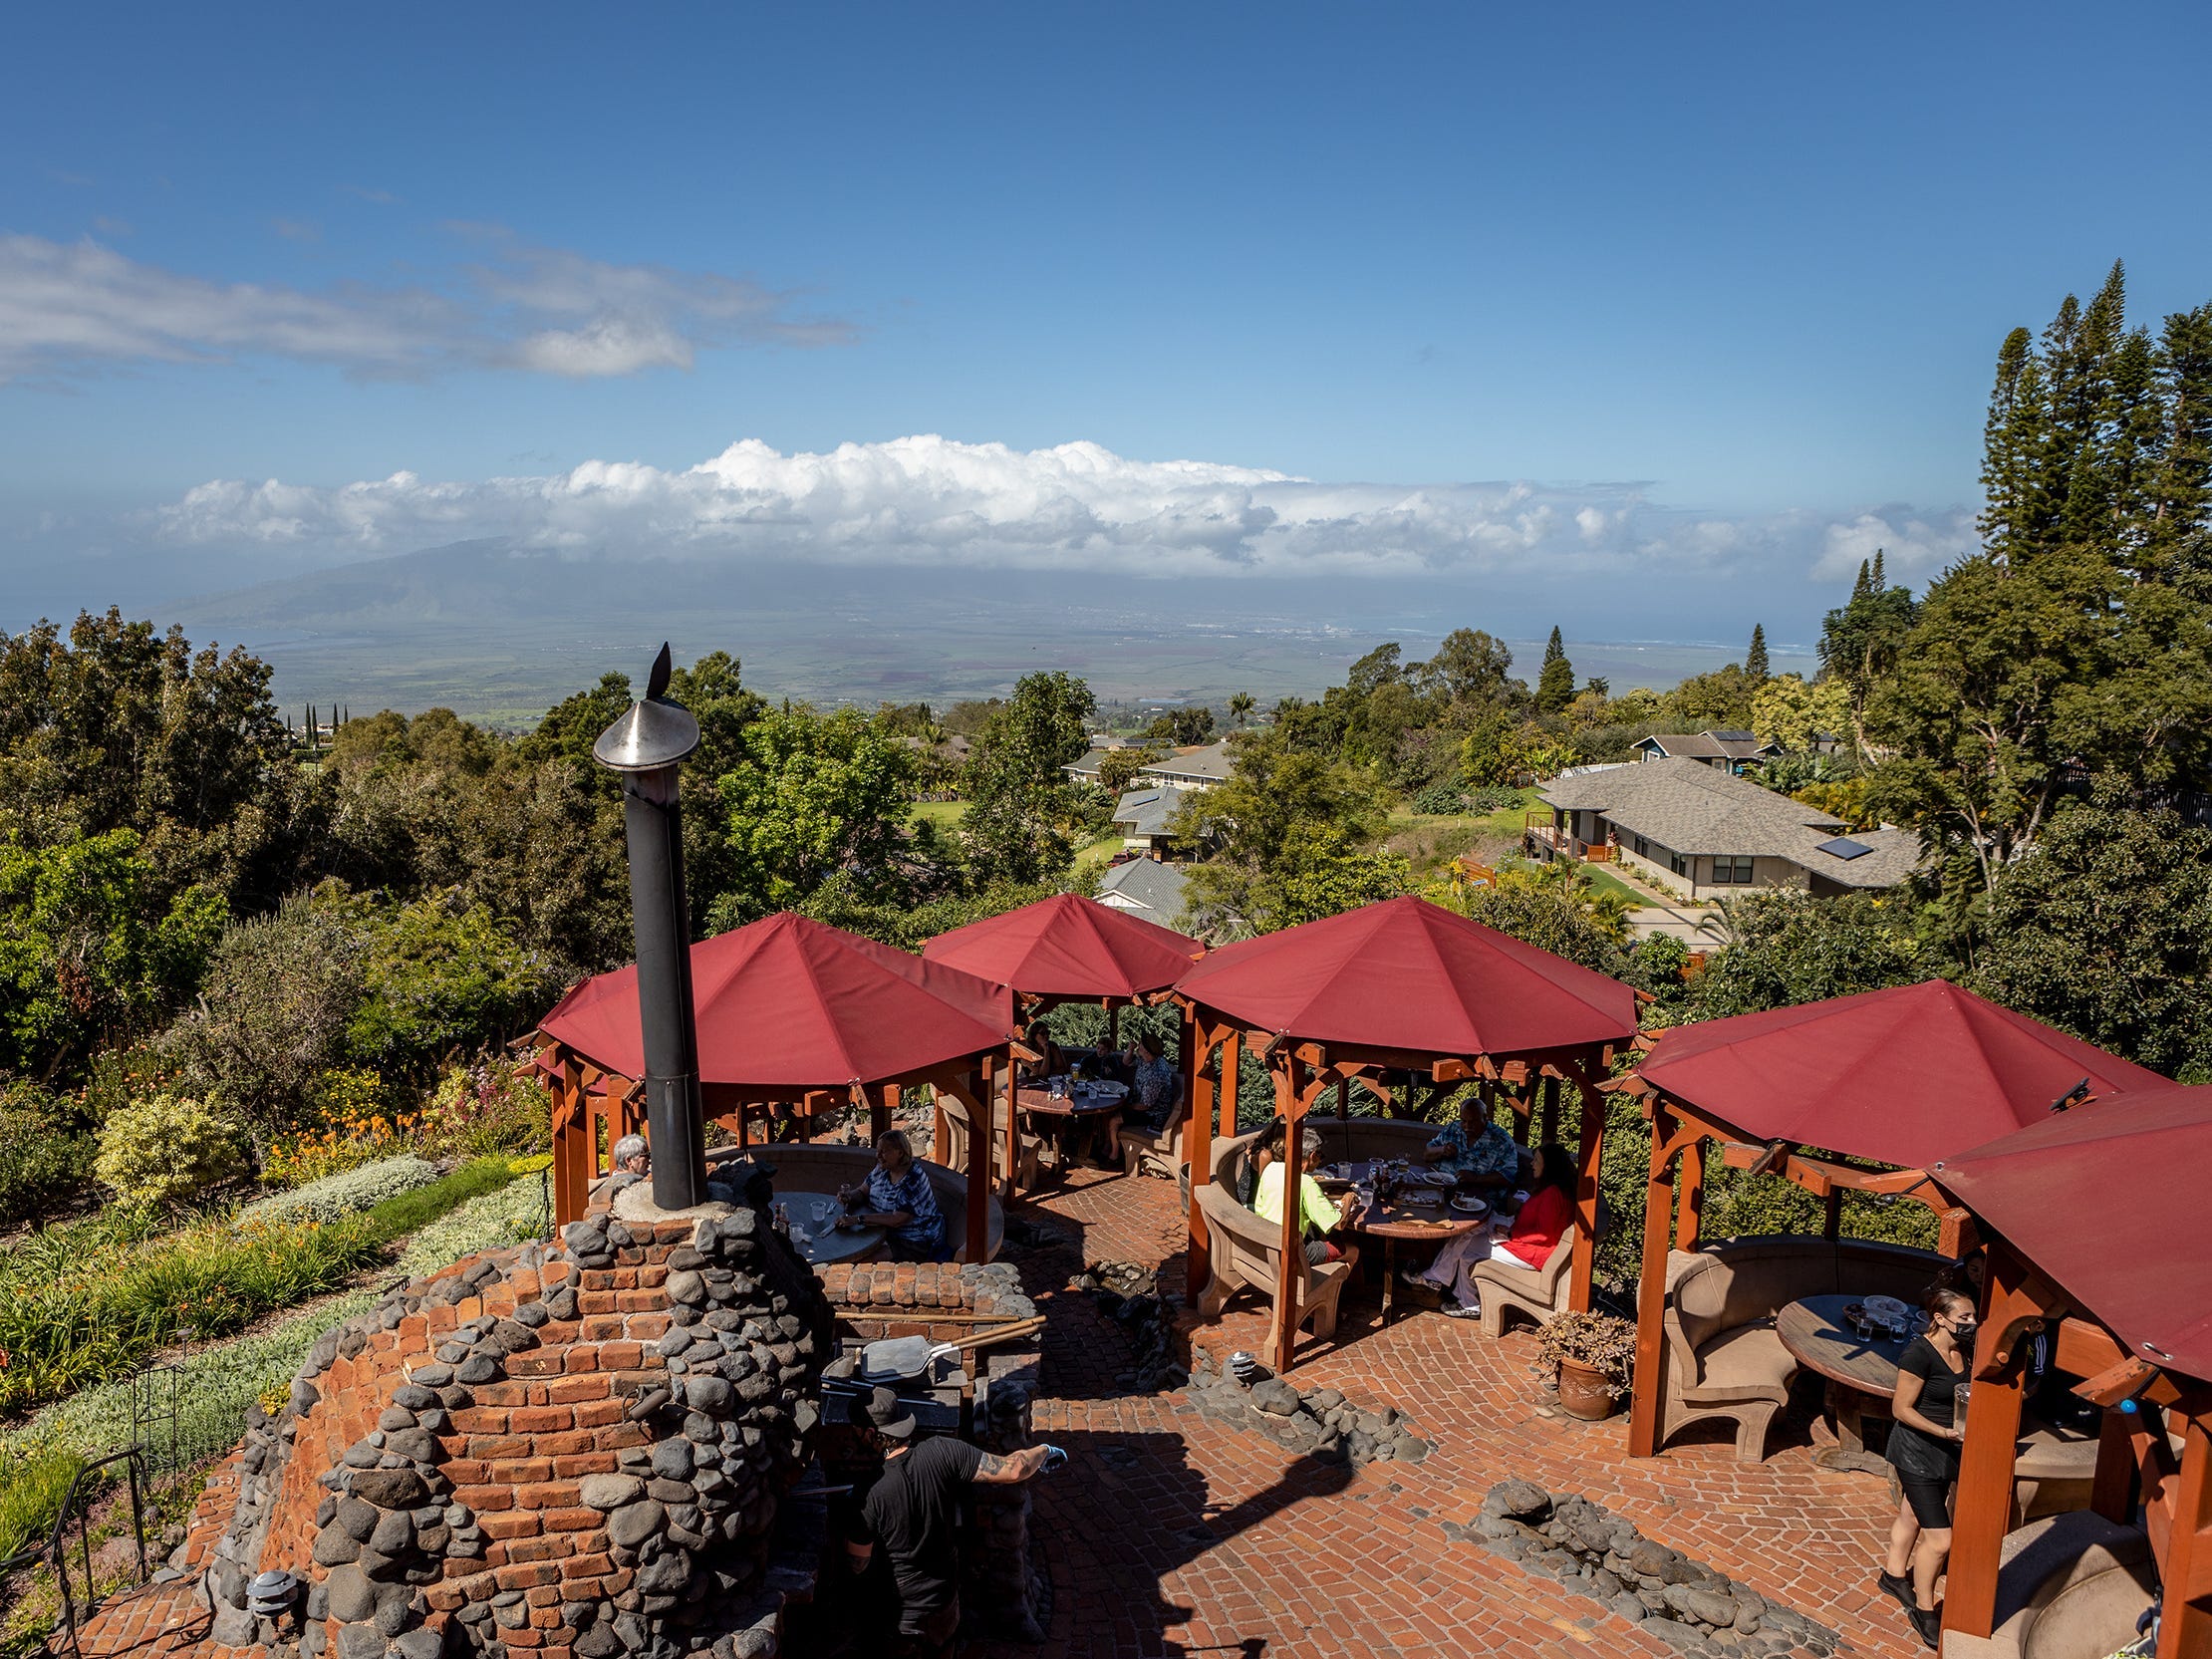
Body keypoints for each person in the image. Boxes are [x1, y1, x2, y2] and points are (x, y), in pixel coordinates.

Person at [844, 1387, 1049, 1657]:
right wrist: (1045, 1449)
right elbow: (1015, 1469)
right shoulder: (944, 1450)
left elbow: (858, 1564)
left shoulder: (867, 1493)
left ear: (871, 1434)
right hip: (945, 1602)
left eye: (856, 1430)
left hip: (903, 1619)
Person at [1879, 1285, 1977, 1650]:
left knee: (1912, 1515)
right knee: (1941, 1540)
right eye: (1963, 1318)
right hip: (1918, 1451)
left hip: (1947, 1451)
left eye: (1973, 1317)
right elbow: (1900, 1409)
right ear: (1939, 1318)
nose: (1971, 1323)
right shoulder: (1918, 1354)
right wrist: (1945, 1432)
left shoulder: (1963, 1350)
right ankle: (1924, 1609)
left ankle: (1893, 1575)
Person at [1409, 1141, 1575, 1319]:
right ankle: (1439, 1279)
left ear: (1548, 1166)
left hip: (1532, 1252)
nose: (1532, 1164)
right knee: (1470, 1231)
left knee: (1469, 1249)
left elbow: (1545, 1234)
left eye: (1536, 1160)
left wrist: (1511, 1234)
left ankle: (1467, 1302)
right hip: (1523, 1238)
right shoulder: (1551, 1189)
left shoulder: (1552, 1194)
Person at [1251, 1126, 1361, 1268]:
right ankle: (1334, 1288)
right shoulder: (1306, 1183)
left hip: (1266, 1243)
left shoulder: (1270, 1169)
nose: (1320, 1161)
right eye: (1320, 1156)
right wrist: (1348, 1198)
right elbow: (1338, 1224)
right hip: (1292, 1253)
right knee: (1353, 1251)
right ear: (1313, 1155)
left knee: (1320, 1234)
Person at [838, 1130, 948, 1262]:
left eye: (883, 1151)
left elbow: (897, 1220)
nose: (878, 1155)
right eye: (877, 1150)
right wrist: (849, 1196)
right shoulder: (882, 1168)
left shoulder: (913, 1179)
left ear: (900, 1152)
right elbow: (862, 1191)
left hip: (912, 1241)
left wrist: (857, 1219)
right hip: (880, 1232)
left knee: (860, 1261)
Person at [1421, 1094, 1521, 1192]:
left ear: (1485, 1118)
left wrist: (1475, 1178)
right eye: (1463, 1121)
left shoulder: (1501, 1140)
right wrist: (1442, 1150)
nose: (1467, 1126)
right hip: (1442, 1189)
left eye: (1473, 1122)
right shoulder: (1453, 1128)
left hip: (1479, 1200)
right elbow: (1426, 1154)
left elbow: (1508, 1177)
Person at [1107, 1032, 1182, 1161]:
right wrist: (1130, 1049)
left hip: (1153, 1116)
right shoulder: (1146, 1060)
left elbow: (1144, 1106)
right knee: (1110, 1112)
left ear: (1146, 1050)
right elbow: (1126, 1061)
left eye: (1140, 1044)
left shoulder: (1155, 1074)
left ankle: (1114, 1155)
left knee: (1114, 1120)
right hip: (1142, 1105)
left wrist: (1124, 1104)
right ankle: (1106, 1146)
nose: (1138, 1045)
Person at [588, 1134, 651, 1204]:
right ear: (629, 1161)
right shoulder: (618, 1191)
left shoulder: (647, 1175)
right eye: (646, 1156)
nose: (649, 1159)